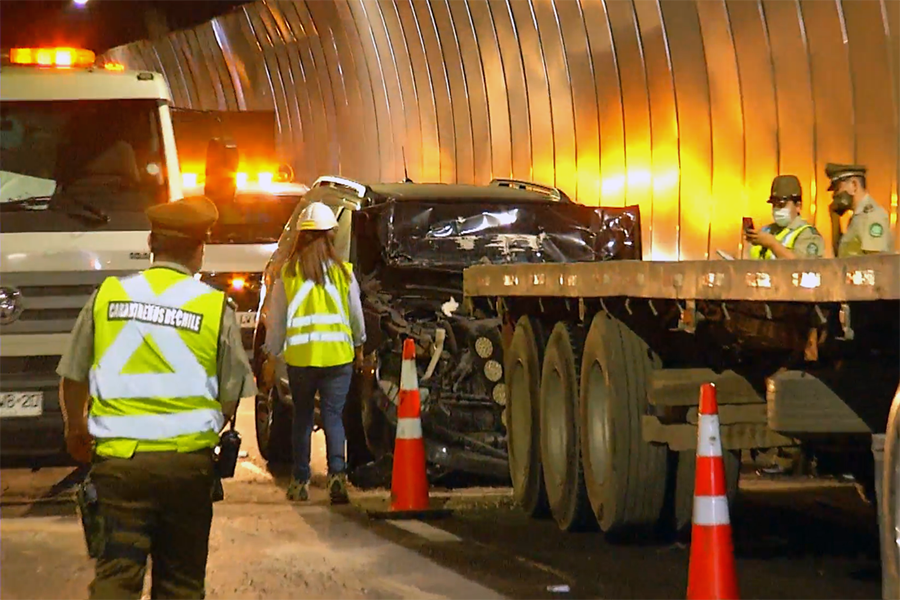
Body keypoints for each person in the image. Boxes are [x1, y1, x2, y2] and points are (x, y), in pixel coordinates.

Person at [57, 195, 257, 600]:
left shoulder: (108, 297)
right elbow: (231, 394)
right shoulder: (215, 307)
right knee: (181, 584)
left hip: (119, 467)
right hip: (187, 471)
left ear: (151, 242)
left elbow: (73, 375)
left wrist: (75, 427)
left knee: (116, 575)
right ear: (199, 250)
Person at [261, 201, 366, 504]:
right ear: (331, 237)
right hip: (338, 358)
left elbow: (277, 322)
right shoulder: (344, 274)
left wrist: (271, 355)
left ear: (301, 237)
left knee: (303, 419)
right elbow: (355, 317)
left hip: (301, 360)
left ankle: (300, 481)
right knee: (334, 417)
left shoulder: (288, 275)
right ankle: (337, 476)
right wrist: (359, 347)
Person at [745, 174, 825, 260]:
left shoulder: (808, 234)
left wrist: (772, 244)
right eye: (774, 205)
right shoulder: (766, 231)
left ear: (798, 206)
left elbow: (802, 267)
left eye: (781, 205)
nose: (776, 209)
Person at [825, 162, 894, 257]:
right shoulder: (857, 217)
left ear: (854, 185)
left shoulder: (871, 216)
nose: (834, 195)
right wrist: (835, 219)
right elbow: (841, 258)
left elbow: (876, 262)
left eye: (838, 188)